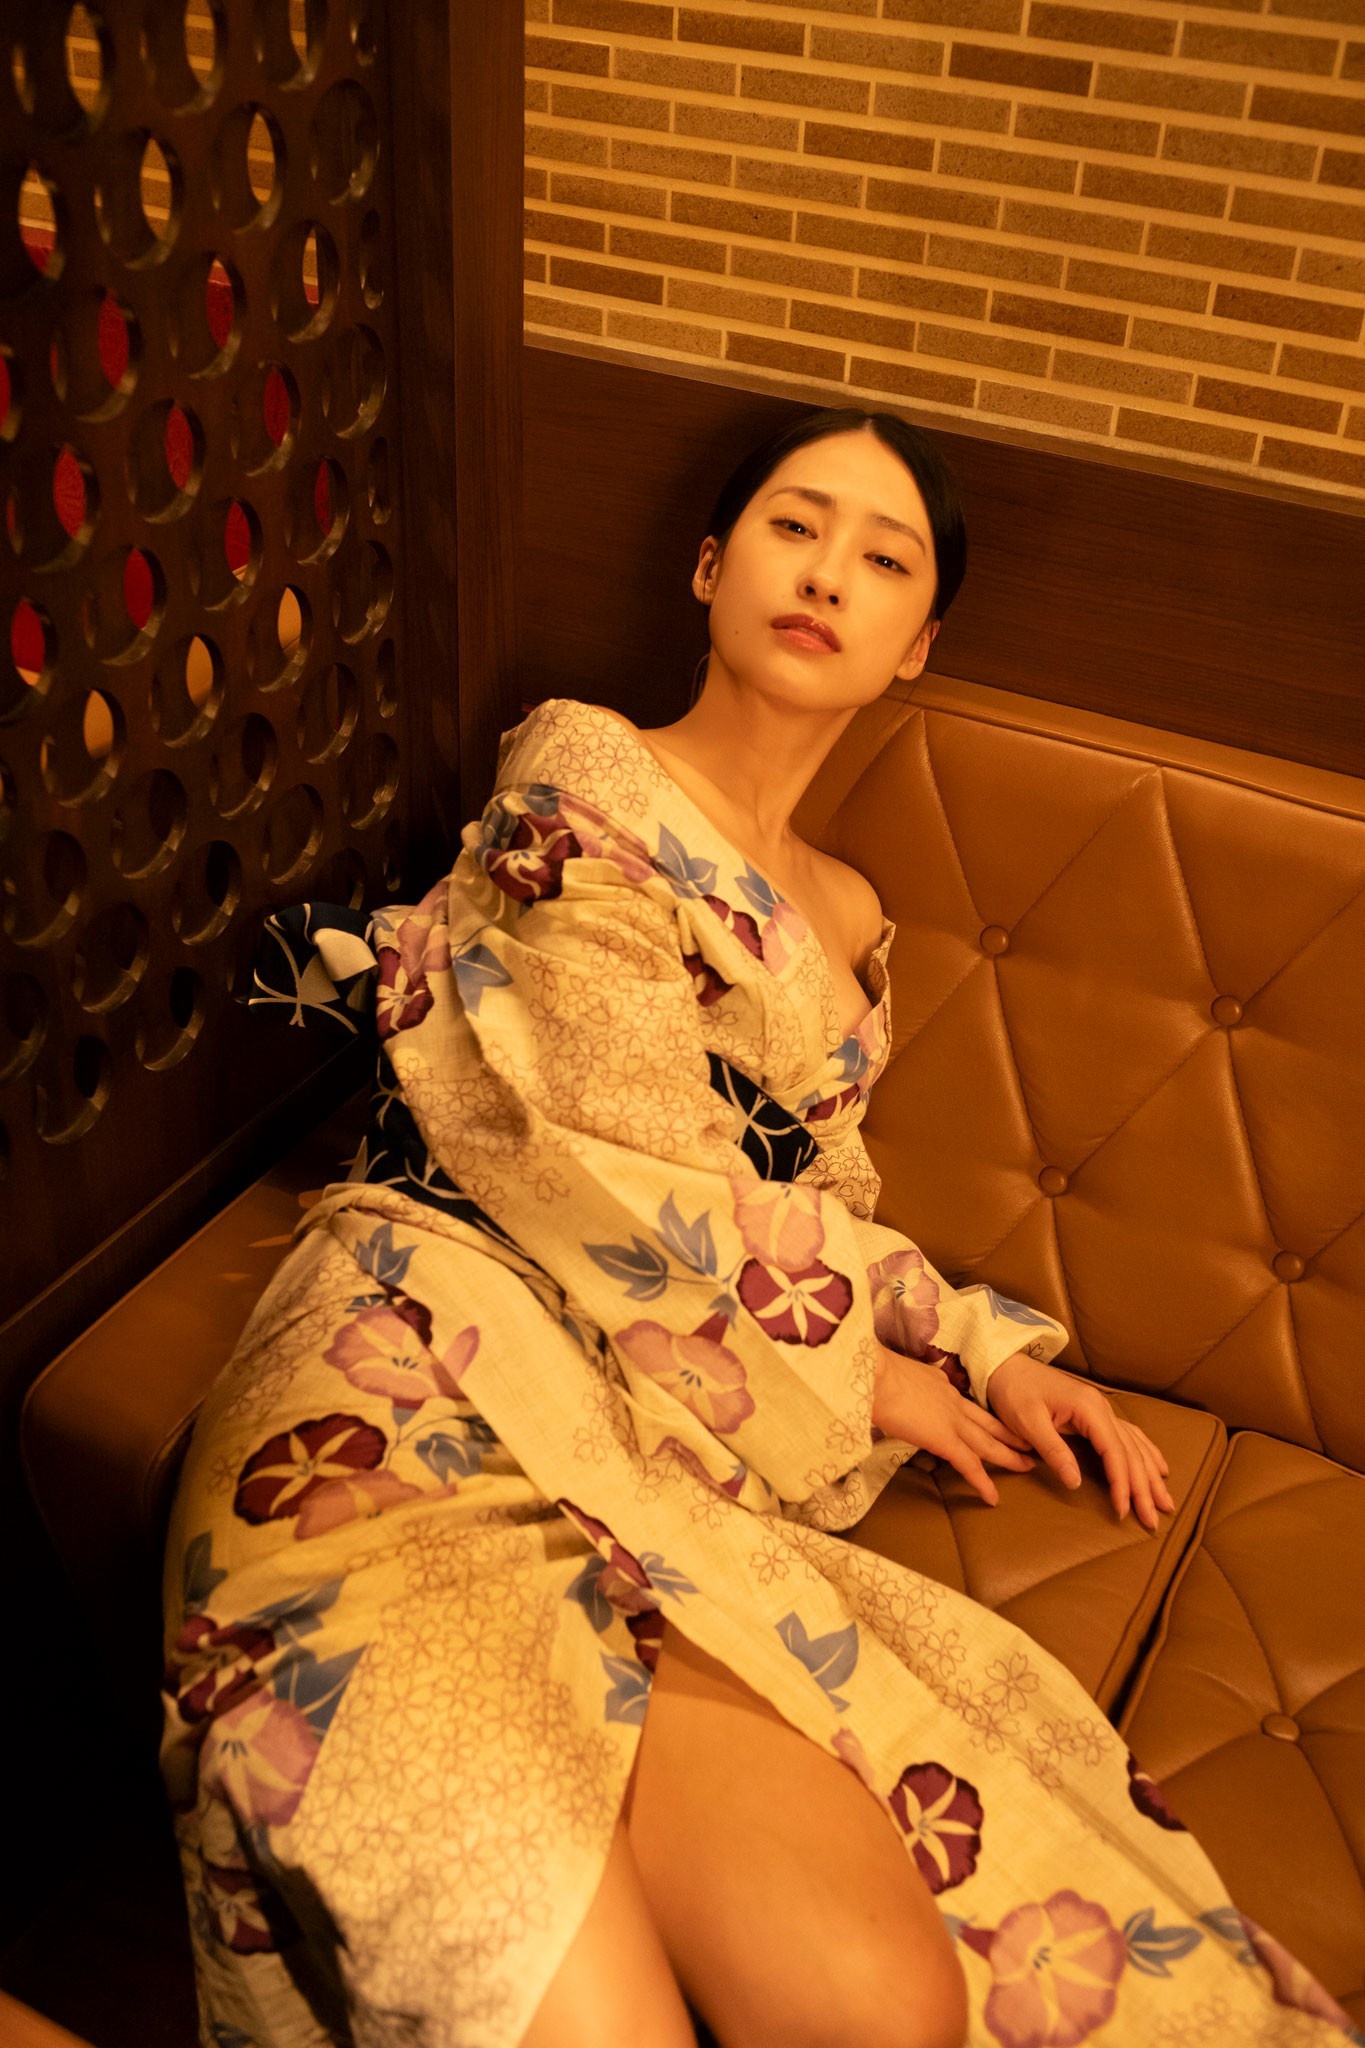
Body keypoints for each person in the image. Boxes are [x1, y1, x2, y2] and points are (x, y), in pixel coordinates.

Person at [161, 408, 1357, 2048]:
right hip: (425, 1337)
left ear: (914, 645)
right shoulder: (580, 768)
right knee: (549, 2005)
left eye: (884, 558)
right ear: (711, 568)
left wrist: (983, 1348)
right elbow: (601, 1133)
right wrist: (858, 1373)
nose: (828, 573)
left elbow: (814, 1209)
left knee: (879, 2001)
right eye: (795, 527)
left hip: (659, 1446)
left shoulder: (855, 917)